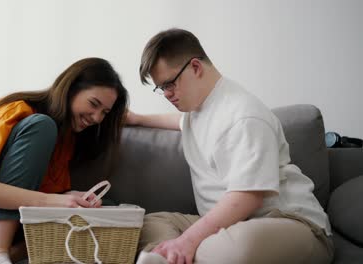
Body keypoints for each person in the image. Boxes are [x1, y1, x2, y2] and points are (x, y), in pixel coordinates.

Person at [126, 28, 334, 264]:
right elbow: (180, 122)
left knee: (234, 249)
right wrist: (137, 119)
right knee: (149, 224)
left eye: (169, 84)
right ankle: (177, 255)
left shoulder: (244, 116)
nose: (167, 94)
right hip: (229, 227)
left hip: (290, 224)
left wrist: (188, 241)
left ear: (195, 67)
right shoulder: (198, 109)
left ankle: (173, 255)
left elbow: (248, 197)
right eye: (161, 88)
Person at [0, 57, 129, 264]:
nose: (97, 118)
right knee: (42, 125)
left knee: (107, 208)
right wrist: (54, 200)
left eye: (105, 112)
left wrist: (68, 198)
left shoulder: (68, 139)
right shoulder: (22, 113)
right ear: (70, 89)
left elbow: (29, 188)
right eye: (94, 104)